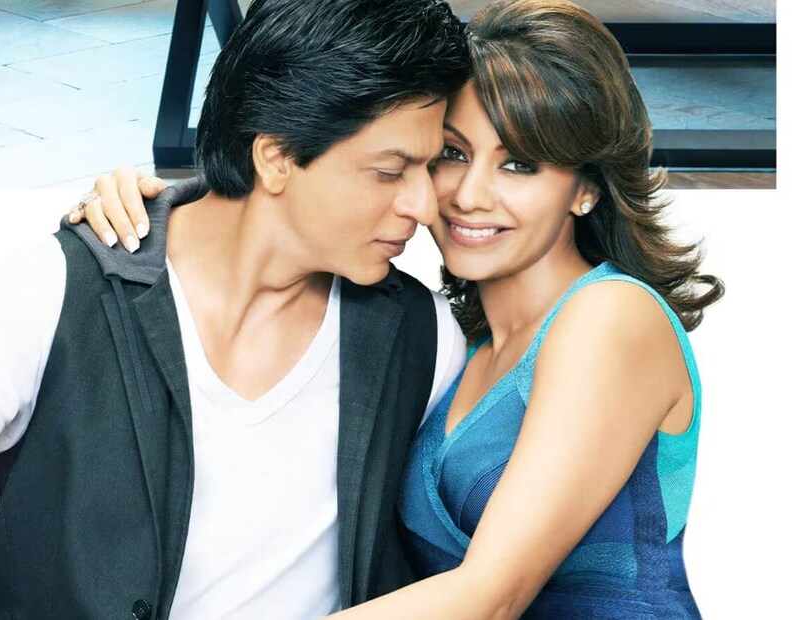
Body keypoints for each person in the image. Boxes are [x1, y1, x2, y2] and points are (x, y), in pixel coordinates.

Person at [88, 0, 725, 617]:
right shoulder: (450, 347)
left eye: (519, 165)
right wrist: (169, 213)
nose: (469, 196)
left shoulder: (611, 317)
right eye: (452, 155)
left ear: (586, 189)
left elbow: (489, 597)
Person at [0, 1, 470, 618]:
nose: (423, 205)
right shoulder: (53, 290)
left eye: (431, 166)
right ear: (276, 157)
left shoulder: (424, 338)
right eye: (390, 172)